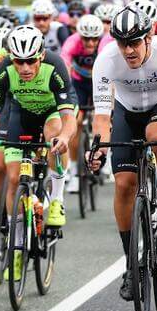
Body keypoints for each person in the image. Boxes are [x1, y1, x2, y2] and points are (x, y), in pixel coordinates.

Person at [87, 6, 157, 301]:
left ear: (150, 36)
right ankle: (132, 263)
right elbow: (102, 117)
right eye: (123, 43)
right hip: (126, 112)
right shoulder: (106, 60)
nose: (129, 50)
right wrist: (96, 147)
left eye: (135, 42)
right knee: (123, 183)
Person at [0, 26, 77, 278]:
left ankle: (57, 200)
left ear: (40, 56)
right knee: (14, 178)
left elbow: (69, 116)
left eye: (30, 61)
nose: (25, 68)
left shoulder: (55, 66)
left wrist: (64, 138)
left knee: (55, 135)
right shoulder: (4, 68)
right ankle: (16, 249)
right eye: (19, 62)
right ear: (11, 58)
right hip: (21, 114)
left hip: (53, 112)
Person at [60, 14, 106, 191]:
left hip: (98, 82)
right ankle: (73, 171)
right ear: (80, 36)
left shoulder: (104, 44)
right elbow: (65, 64)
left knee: (101, 118)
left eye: (94, 39)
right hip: (78, 82)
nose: (91, 43)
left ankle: (104, 158)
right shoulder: (72, 42)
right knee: (76, 122)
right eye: (87, 39)